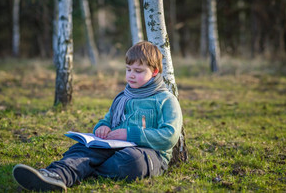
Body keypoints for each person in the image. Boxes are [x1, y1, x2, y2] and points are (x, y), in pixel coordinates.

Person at [12, 41, 183, 192]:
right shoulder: (122, 97)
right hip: (113, 146)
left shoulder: (165, 99)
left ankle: (80, 171)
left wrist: (130, 134)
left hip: (149, 153)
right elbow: (107, 119)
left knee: (133, 161)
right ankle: (53, 175)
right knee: (82, 148)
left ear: (154, 72)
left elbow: (170, 136)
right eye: (128, 69)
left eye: (138, 71)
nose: (131, 75)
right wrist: (102, 127)